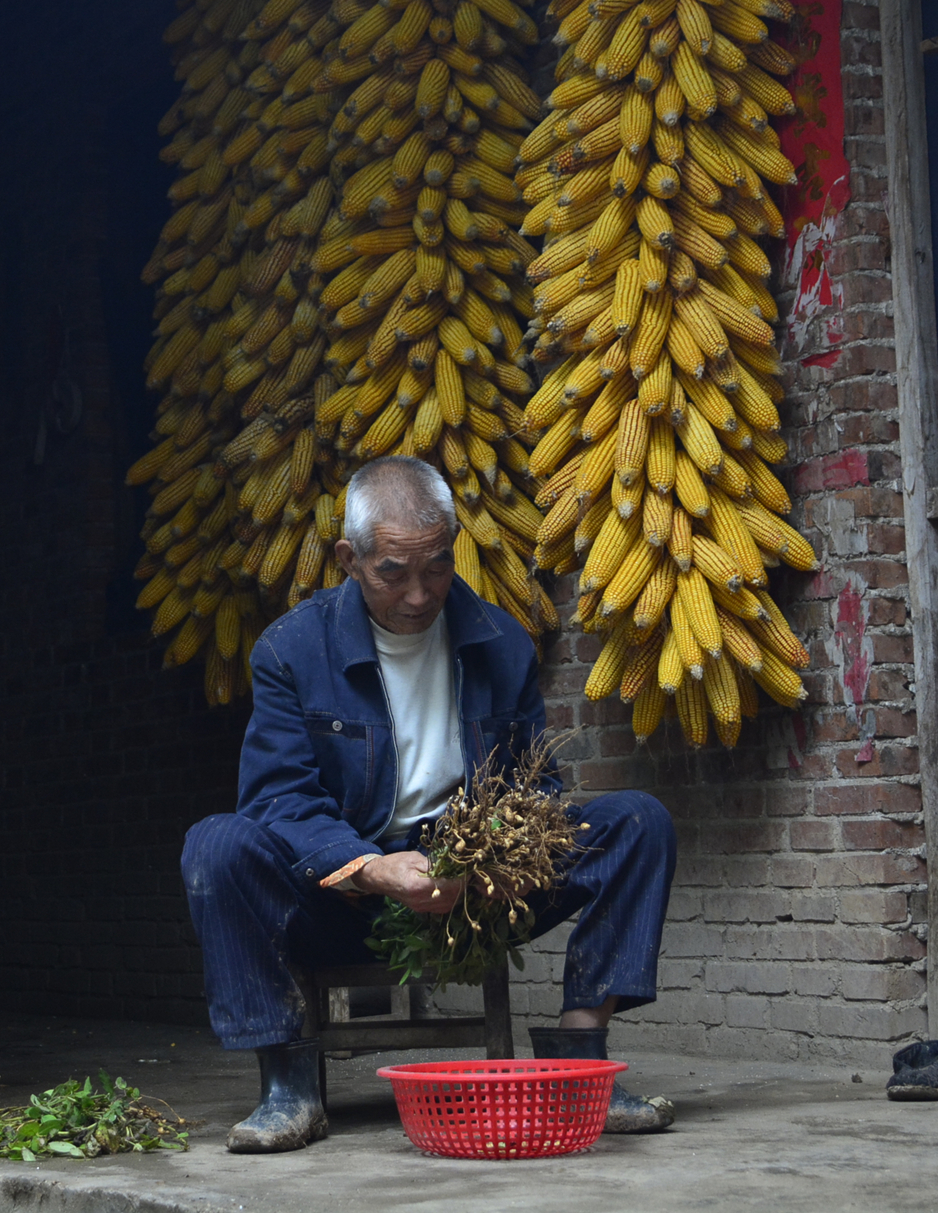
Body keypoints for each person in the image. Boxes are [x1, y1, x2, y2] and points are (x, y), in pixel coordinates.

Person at [182, 455, 678, 1153]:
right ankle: (287, 1085)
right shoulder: (293, 650)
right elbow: (280, 799)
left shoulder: (500, 642)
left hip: (478, 891)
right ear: (349, 559)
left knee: (636, 822)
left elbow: (537, 785)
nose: (420, 594)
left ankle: (581, 1062)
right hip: (348, 898)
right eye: (394, 572)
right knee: (216, 844)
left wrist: (506, 856)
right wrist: (371, 868)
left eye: (438, 567)